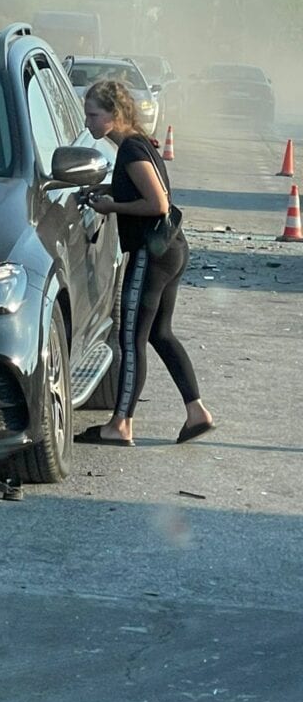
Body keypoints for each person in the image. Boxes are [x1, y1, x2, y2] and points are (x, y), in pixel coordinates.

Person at [75, 79, 215, 447]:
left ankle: (121, 424)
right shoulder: (138, 143)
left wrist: (112, 206)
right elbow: (145, 190)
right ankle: (197, 412)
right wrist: (108, 190)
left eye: (94, 115)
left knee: (131, 338)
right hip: (171, 250)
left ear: (115, 114)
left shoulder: (131, 149)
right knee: (159, 333)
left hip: (151, 255)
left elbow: (158, 204)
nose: (88, 122)